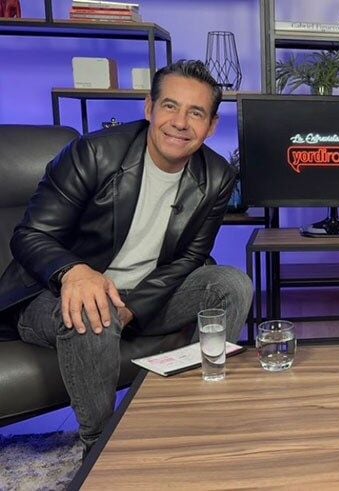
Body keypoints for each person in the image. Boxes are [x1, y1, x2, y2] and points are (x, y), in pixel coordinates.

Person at [0, 59, 253, 453]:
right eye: (170, 106)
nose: (180, 122)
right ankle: (99, 447)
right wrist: (75, 271)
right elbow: (30, 235)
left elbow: (191, 258)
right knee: (93, 308)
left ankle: (195, 416)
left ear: (211, 126)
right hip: (51, 294)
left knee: (232, 284)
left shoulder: (217, 176)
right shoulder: (92, 153)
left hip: (143, 295)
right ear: (150, 107)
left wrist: (133, 307)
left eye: (196, 113)